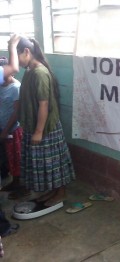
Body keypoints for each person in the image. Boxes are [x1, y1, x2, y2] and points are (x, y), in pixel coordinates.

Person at [16, 36, 75, 206]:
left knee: (53, 163)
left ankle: (61, 193)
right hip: (36, 126)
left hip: (45, 128)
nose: (17, 62)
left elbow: (44, 105)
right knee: (46, 164)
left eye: (17, 55)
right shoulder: (29, 71)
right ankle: (53, 191)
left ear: (26, 52)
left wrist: (38, 132)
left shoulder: (39, 73)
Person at [0, 57, 26, 198]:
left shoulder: (16, 87)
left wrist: (5, 130)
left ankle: (23, 187)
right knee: (10, 160)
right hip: (3, 128)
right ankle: (15, 182)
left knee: (18, 160)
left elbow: (16, 113)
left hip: (13, 130)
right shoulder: (0, 85)